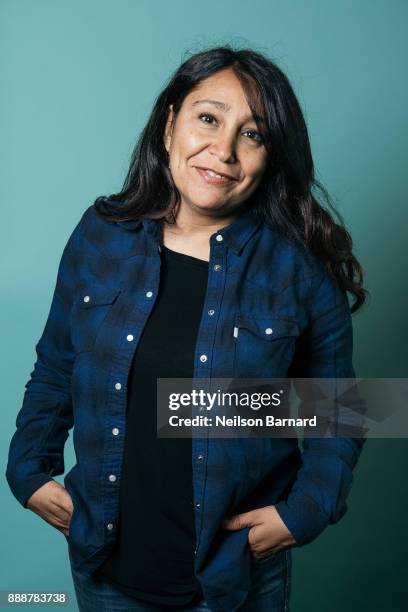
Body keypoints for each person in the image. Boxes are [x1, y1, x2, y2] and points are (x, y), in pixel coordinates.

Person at [5, 45, 368, 612]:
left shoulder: (299, 268)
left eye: (253, 134)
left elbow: (339, 407)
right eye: (208, 117)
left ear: (270, 156)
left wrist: (307, 510)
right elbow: (56, 366)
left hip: (234, 576)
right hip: (105, 567)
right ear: (171, 121)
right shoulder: (102, 233)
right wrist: (28, 469)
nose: (222, 151)